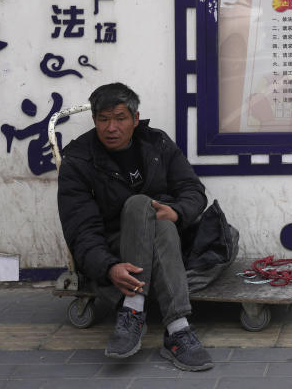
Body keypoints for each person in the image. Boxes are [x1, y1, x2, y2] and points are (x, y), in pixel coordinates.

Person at [57, 82, 213, 371]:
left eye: (119, 118)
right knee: (140, 205)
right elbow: (80, 228)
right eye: (103, 120)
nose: (111, 127)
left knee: (161, 224)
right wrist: (107, 267)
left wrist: (177, 212)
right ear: (94, 121)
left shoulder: (157, 143)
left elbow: (193, 189)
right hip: (114, 246)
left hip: (166, 237)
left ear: (135, 119)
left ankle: (133, 310)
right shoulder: (79, 159)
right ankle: (178, 331)